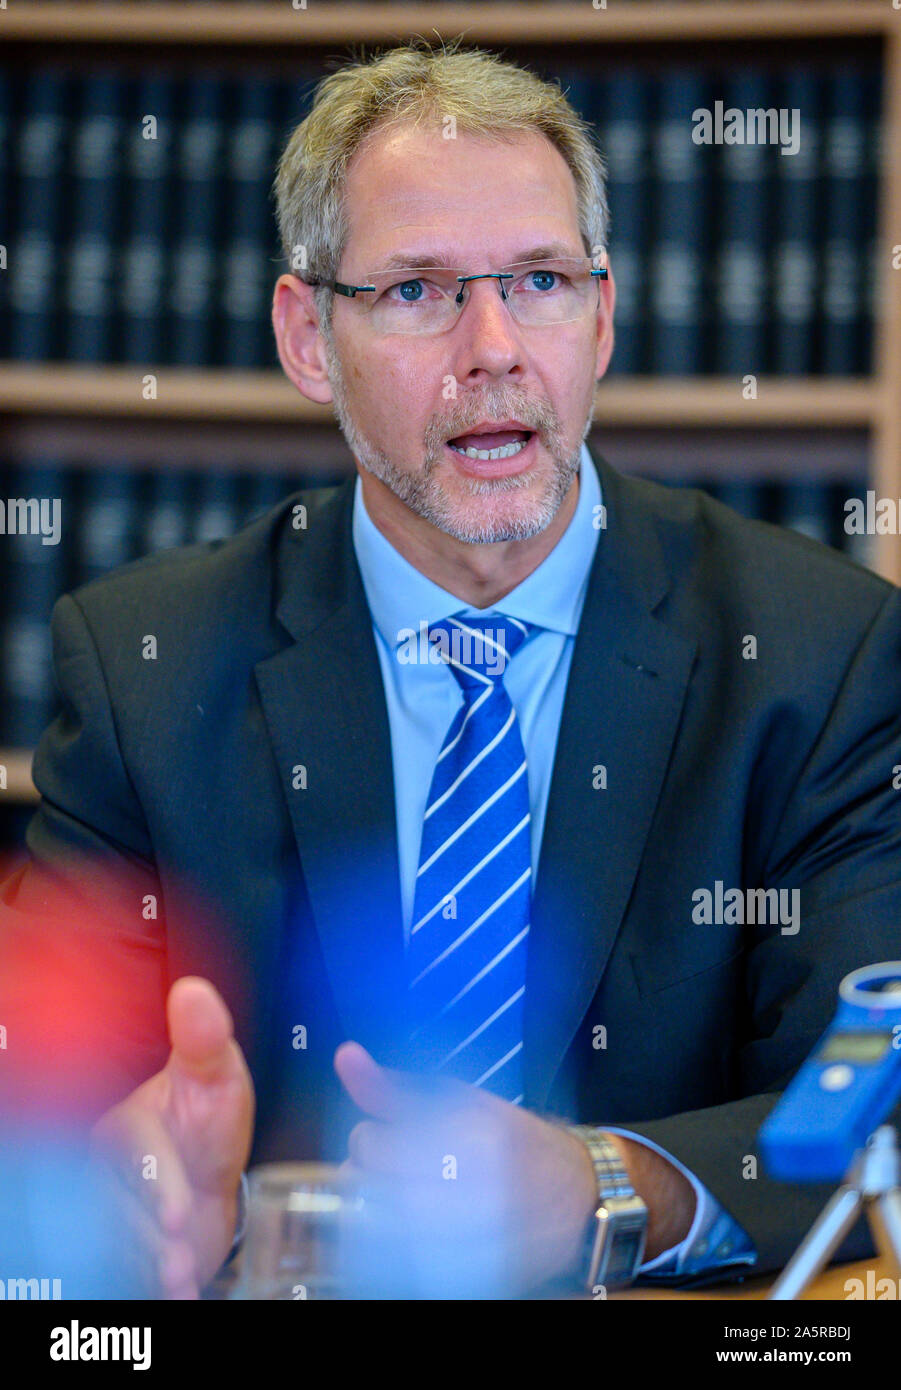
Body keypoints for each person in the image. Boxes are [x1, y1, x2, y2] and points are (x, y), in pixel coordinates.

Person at [2, 40, 900, 1300]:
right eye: (419, 291)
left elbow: (866, 1100)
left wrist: (608, 1184)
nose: (493, 348)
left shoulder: (819, 653)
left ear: (601, 315)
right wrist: (119, 1188)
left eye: (537, 279)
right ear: (308, 337)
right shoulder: (144, 669)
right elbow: (51, 1102)